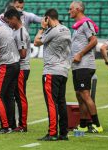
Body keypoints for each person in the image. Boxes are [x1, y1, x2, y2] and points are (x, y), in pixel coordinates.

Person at [34, 8, 71, 141]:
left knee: (51, 102)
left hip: (51, 70)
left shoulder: (52, 31)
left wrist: (42, 28)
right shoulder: (66, 29)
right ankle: (64, 132)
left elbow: (36, 42)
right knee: (61, 102)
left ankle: (52, 133)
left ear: (47, 18)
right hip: (63, 70)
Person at [69, 0, 103, 133]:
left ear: (78, 9)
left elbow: (94, 40)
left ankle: (97, 125)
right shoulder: (78, 26)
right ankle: (83, 125)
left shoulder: (86, 23)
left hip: (84, 64)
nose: (69, 11)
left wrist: (80, 54)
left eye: (71, 9)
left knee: (85, 94)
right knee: (79, 94)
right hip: (78, 66)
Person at [5, 8, 31, 132]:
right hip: (17, 68)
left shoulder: (20, 32)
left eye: (9, 20)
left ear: (15, 18)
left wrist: (10, 55)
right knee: (15, 95)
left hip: (22, 68)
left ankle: (23, 125)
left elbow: (23, 54)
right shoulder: (15, 31)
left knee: (20, 96)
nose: (8, 23)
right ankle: (16, 123)